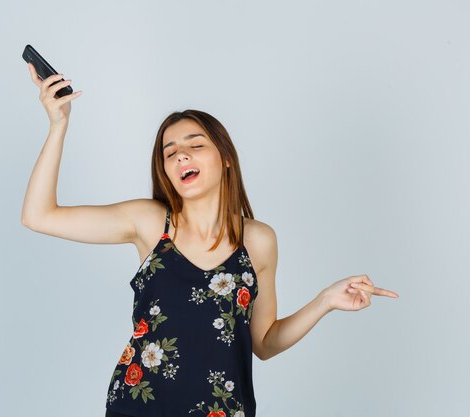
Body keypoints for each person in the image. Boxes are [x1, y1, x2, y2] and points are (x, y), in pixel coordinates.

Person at [21, 63, 400, 417]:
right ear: (166, 171)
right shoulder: (149, 223)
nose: (181, 155)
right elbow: (39, 216)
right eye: (170, 153)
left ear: (226, 158)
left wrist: (325, 302)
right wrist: (58, 125)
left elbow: (264, 344)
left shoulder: (259, 240)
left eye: (195, 145)